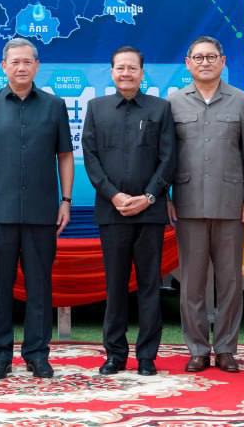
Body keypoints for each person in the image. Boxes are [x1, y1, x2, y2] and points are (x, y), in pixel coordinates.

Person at [0, 37, 74, 380]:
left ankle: (37, 354)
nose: (21, 67)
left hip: (42, 212)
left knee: (39, 286)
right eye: (15, 62)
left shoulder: (54, 105)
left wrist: (66, 200)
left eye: (28, 61)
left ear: (37, 66)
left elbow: (65, 155)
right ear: (4, 66)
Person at [81, 46, 176, 377]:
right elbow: (91, 157)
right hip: (113, 212)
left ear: (142, 72)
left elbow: (169, 158)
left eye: (132, 68)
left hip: (150, 212)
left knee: (150, 286)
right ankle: (115, 354)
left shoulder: (160, 108)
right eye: (120, 68)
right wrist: (114, 195)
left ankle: (147, 356)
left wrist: (148, 197)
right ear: (112, 72)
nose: (126, 73)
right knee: (115, 285)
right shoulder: (96, 108)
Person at [168, 36, 244, 373]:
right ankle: (196, 349)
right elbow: (166, 156)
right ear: (188, 63)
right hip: (188, 204)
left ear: (223, 61)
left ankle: (225, 348)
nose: (205, 62)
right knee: (191, 283)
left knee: (230, 282)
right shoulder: (174, 102)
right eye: (198, 57)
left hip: (231, 204)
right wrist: (166, 197)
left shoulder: (240, 101)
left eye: (211, 57)